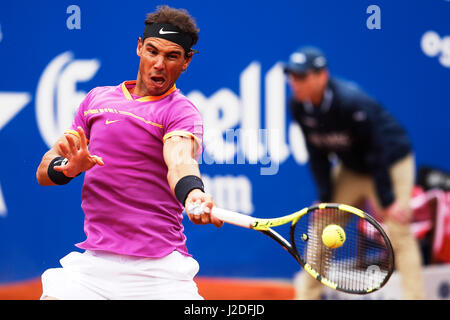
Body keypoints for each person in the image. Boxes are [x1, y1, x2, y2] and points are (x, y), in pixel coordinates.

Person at [35, 5, 222, 300]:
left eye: (172, 56)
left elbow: (180, 162)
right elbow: (44, 170)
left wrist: (193, 193)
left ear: (186, 62)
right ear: (139, 47)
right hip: (93, 266)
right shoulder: (96, 100)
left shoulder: (181, 112)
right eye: (152, 51)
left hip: (159, 272)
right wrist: (69, 168)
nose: (159, 64)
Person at [284, 46, 425, 300]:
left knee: (399, 230)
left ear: (321, 76)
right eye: (292, 76)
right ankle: (307, 297)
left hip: (390, 163)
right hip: (352, 168)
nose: (295, 83)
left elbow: (377, 150)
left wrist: (388, 201)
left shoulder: (351, 102)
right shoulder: (298, 105)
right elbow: (317, 153)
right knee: (321, 227)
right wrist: (325, 197)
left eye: (302, 76)